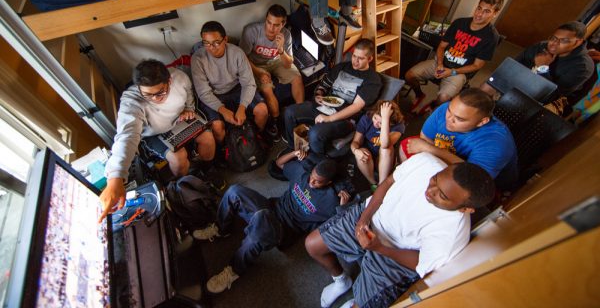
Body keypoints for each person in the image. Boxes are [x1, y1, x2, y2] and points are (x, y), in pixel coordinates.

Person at [305, 151, 495, 308]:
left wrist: (379, 248)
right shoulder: (425, 161)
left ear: (464, 209)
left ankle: (355, 300)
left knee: (362, 305)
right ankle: (341, 280)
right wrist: (364, 219)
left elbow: (421, 264)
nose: (430, 191)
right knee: (313, 245)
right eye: (435, 180)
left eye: (442, 196)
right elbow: (387, 183)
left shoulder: (452, 233)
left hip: (396, 256)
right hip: (372, 215)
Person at [193, 156, 351, 294]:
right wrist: (294, 153)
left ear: (329, 182)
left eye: (317, 182)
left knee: (260, 231)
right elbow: (278, 164)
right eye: (312, 177)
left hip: (283, 230)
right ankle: (221, 229)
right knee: (235, 191)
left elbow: (340, 228)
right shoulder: (303, 174)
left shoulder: (330, 201)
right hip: (270, 208)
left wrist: (343, 207)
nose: (311, 182)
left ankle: (234, 270)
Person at [99, 59, 216, 222]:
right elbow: (127, 135)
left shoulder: (180, 77)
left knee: (208, 139)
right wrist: (116, 177)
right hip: (153, 132)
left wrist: (189, 108)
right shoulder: (132, 100)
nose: (155, 98)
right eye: (148, 95)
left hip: (179, 120)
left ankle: (205, 173)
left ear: (169, 81)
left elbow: (189, 93)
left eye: (160, 92)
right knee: (178, 158)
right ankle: (182, 185)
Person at [405, 0, 504, 113]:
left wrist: (452, 71)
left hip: (459, 73)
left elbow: (477, 65)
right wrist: (440, 64)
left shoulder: (491, 37)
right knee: (409, 75)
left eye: (487, 11)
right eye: (479, 8)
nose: (479, 14)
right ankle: (419, 95)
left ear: (495, 14)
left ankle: (433, 104)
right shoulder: (459, 23)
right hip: (440, 63)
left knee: (443, 98)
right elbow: (441, 46)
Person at [402, 88, 518, 190]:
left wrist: (430, 150)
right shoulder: (444, 109)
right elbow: (426, 136)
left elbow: (474, 178)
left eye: (459, 119)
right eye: (450, 111)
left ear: (482, 122)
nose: (448, 119)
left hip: (474, 181)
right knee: (407, 145)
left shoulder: (496, 143)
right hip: (453, 159)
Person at [283, 38, 382, 156]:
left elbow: (356, 106)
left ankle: (316, 160)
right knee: (290, 112)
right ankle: (294, 151)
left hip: (345, 119)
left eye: (360, 58)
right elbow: (324, 85)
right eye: (354, 56)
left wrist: (329, 118)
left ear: (370, 59)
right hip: (323, 106)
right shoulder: (342, 67)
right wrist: (319, 94)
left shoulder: (373, 79)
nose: (355, 61)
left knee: (315, 133)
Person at [481, 21, 594, 115]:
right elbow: (513, 66)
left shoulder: (583, 67)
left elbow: (552, 96)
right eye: (554, 38)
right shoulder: (541, 46)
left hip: (546, 98)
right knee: (486, 88)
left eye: (563, 41)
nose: (554, 43)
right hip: (524, 81)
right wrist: (499, 81)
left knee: (510, 108)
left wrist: (543, 67)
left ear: (578, 43)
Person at [191, 21, 269, 145]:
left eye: (216, 43)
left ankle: (255, 139)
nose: (211, 48)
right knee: (217, 126)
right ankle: (224, 150)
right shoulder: (197, 59)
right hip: (214, 93)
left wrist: (242, 107)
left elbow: (248, 83)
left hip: (236, 88)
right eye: (206, 43)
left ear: (225, 39)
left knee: (262, 110)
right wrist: (222, 110)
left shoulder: (237, 53)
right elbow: (203, 92)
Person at [240, 4, 305, 140]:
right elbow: (242, 57)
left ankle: (300, 114)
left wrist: (280, 49)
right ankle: (275, 122)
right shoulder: (251, 31)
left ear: (283, 24)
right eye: (269, 22)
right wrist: (258, 72)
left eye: (276, 25)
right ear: (266, 19)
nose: (271, 28)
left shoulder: (286, 34)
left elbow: (288, 63)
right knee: (268, 89)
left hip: (276, 61)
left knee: (297, 77)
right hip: (256, 63)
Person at [350, 100, 405, 185]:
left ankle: (382, 184)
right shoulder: (367, 118)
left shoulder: (398, 126)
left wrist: (385, 118)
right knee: (362, 152)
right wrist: (356, 151)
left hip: (385, 158)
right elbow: (356, 141)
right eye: (375, 118)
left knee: (386, 149)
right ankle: (373, 183)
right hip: (369, 153)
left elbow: (385, 144)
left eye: (380, 123)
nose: (376, 123)